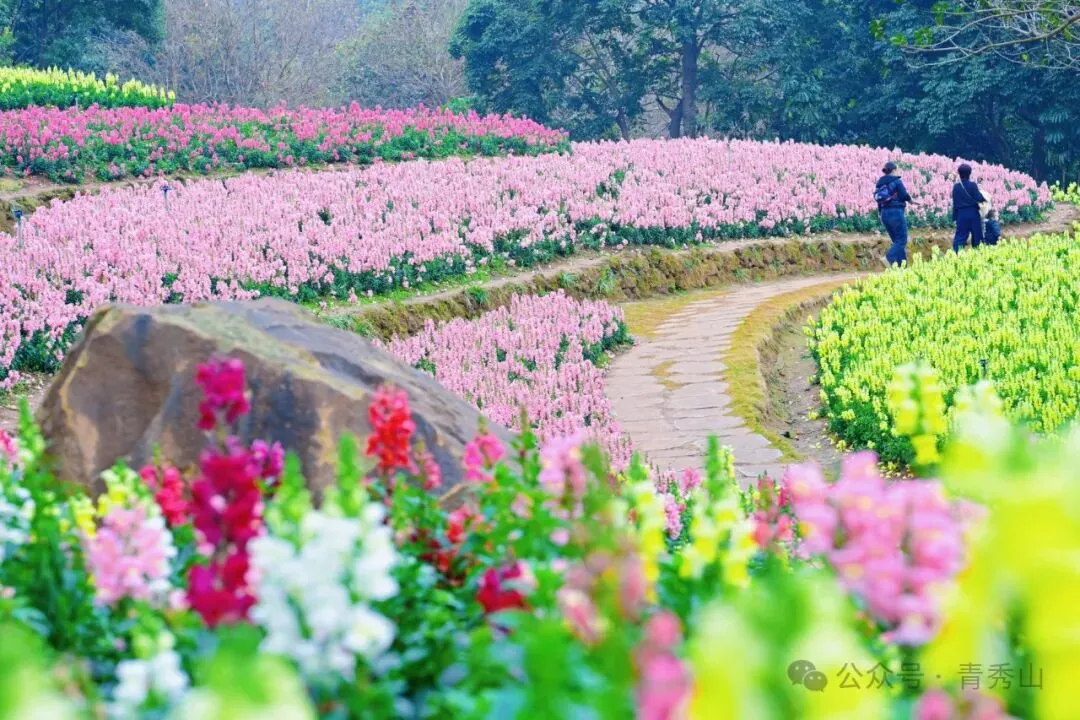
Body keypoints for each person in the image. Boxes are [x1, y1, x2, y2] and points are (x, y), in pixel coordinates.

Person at [875, 161, 916, 267]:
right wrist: (911, 200)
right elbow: (903, 195)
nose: (898, 171)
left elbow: (879, 201)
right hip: (896, 213)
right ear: (893, 170)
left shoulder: (879, 183)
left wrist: (880, 214)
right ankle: (889, 258)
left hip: (884, 214)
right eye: (897, 169)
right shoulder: (897, 181)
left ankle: (902, 266)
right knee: (902, 240)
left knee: (897, 242)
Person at [951, 163, 986, 252]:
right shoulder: (973, 185)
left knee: (960, 237)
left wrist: (954, 217)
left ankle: (956, 255)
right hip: (973, 214)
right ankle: (977, 255)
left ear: (959, 174)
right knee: (977, 236)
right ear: (969, 174)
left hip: (961, 215)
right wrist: (984, 196)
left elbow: (955, 203)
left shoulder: (956, 187)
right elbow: (979, 198)